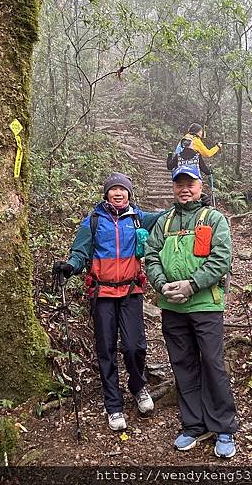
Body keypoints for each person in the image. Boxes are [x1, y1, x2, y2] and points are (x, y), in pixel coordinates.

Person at [52, 172, 162, 432]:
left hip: (131, 291)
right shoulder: (92, 221)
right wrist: (70, 266)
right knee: (106, 350)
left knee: (135, 346)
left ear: (129, 194)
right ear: (106, 194)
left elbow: (164, 217)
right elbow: (80, 252)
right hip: (102, 294)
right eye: (113, 189)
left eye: (122, 189)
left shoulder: (138, 218)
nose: (118, 193)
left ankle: (138, 386)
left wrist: (187, 204)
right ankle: (113, 405)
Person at [144, 165, 237, 458]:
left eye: (190, 183)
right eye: (179, 184)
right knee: (182, 364)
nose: (185, 188)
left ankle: (223, 427)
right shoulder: (165, 221)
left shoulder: (213, 218)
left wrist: (191, 284)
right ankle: (193, 425)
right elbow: (151, 255)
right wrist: (161, 284)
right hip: (172, 306)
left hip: (206, 304)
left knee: (212, 363)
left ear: (200, 187)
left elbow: (221, 259)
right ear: (174, 188)